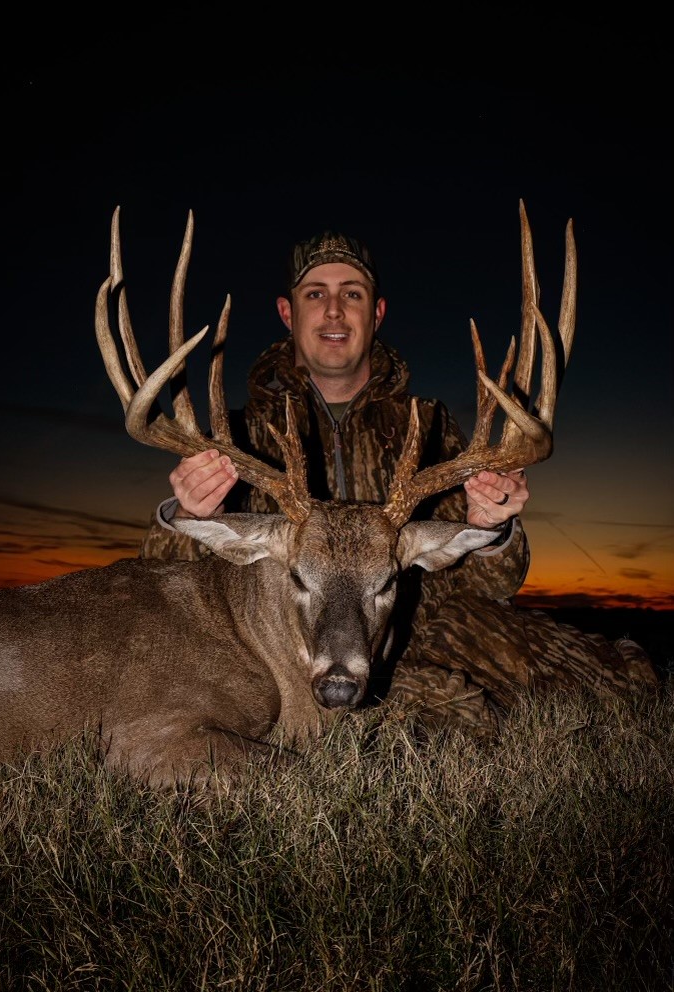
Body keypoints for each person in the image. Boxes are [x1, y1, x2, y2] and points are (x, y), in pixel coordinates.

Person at [140, 230, 658, 732]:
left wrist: (491, 525)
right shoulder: (238, 440)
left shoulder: (429, 428)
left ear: (377, 312)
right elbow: (160, 585)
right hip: (289, 644)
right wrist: (188, 514)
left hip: (428, 631)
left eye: (353, 294)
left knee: (617, 686)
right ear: (287, 311)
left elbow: (493, 588)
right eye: (315, 294)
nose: (334, 310)